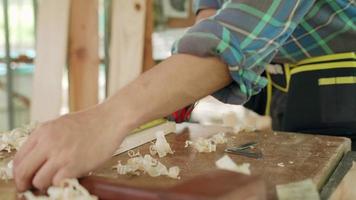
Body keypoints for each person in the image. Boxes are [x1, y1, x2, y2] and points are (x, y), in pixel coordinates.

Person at [13, 0, 355, 191]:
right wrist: (177, 87)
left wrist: (106, 120)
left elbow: (228, 41)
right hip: (294, 91)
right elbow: (212, 16)